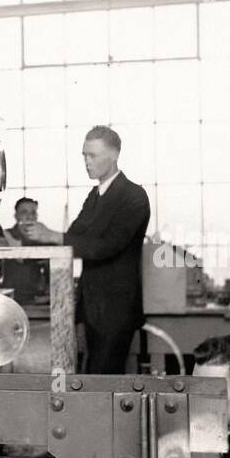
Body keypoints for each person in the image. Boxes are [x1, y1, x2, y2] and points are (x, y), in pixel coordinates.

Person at [21, 126, 150, 373]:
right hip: (91, 308)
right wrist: (39, 233)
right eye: (84, 155)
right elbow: (74, 236)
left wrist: (53, 236)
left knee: (104, 379)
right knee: (93, 377)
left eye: (93, 156)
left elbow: (107, 247)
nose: (87, 162)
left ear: (113, 156)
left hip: (116, 312)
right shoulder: (95, 195)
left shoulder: (134, 196)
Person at [0, 196, 48, 304]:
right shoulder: (6, 235)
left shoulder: (41, 237)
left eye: (33, 213)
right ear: (16, 216)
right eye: (24, 212)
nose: (29, 217)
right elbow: (21, 257)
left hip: (35, 298)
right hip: (11, 298)